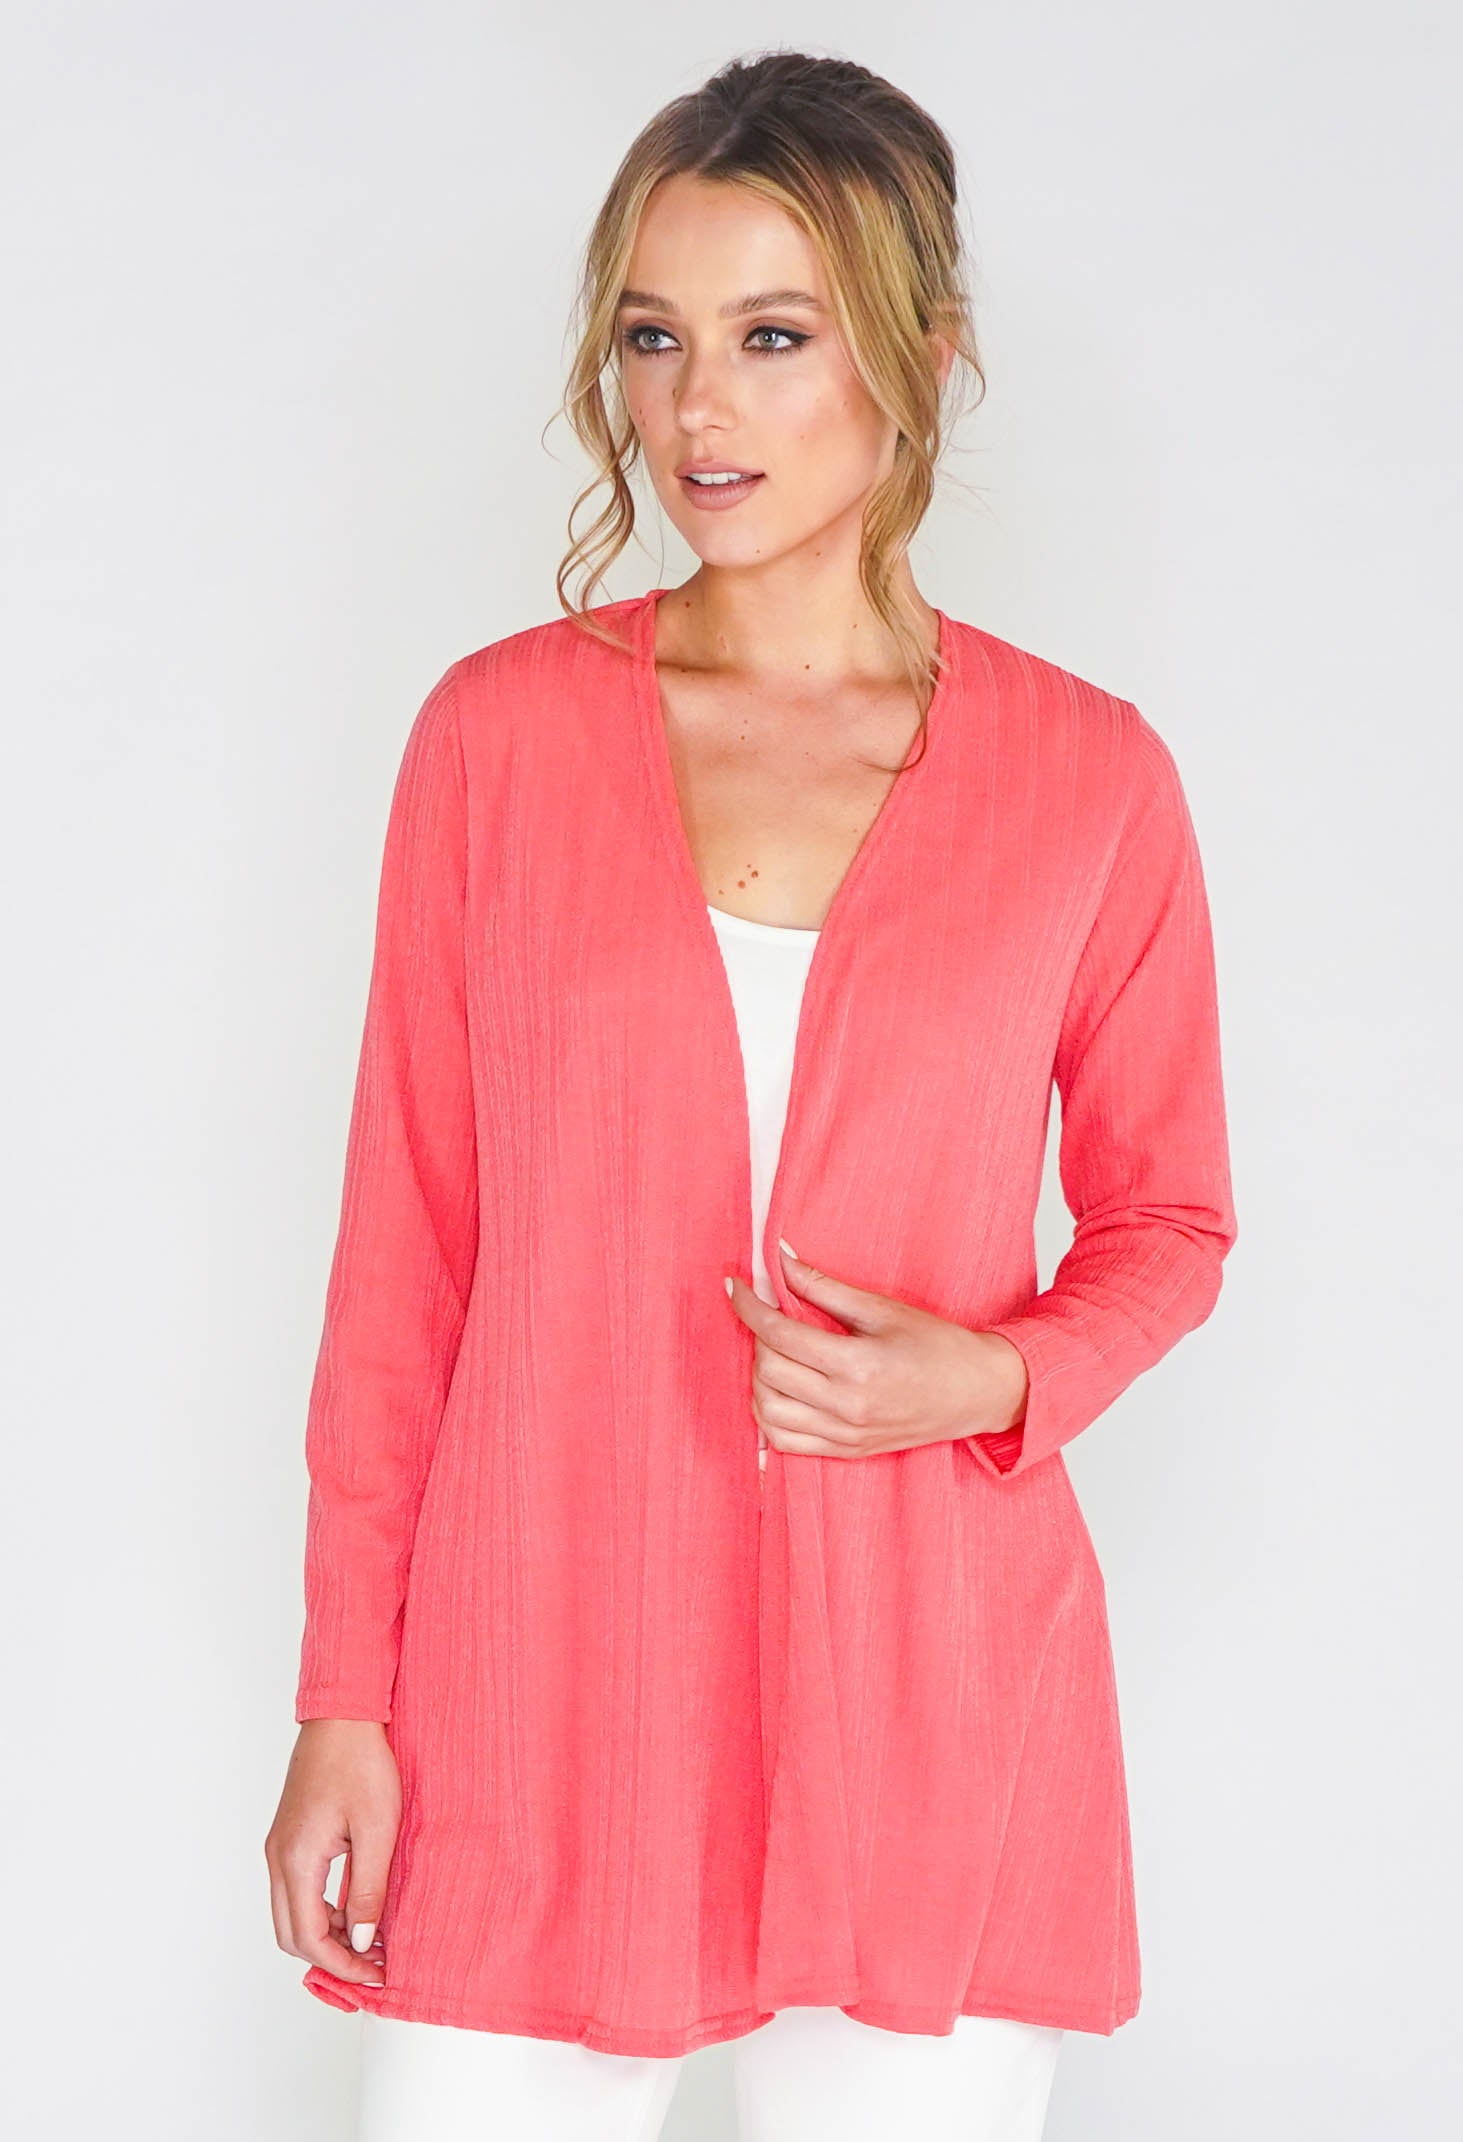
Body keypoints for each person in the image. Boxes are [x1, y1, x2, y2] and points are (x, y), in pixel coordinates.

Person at [264, 49, 1237, 2142]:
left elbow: (1172, 1219)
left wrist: (992, 1374)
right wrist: (347, 1692)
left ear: (921, 355)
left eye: (772, 338)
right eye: (655, 339)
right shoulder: (497, 743)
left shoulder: (1090, 782)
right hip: (544, 1678)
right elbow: (405, 1253)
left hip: (927, 1700)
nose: (698, 409)